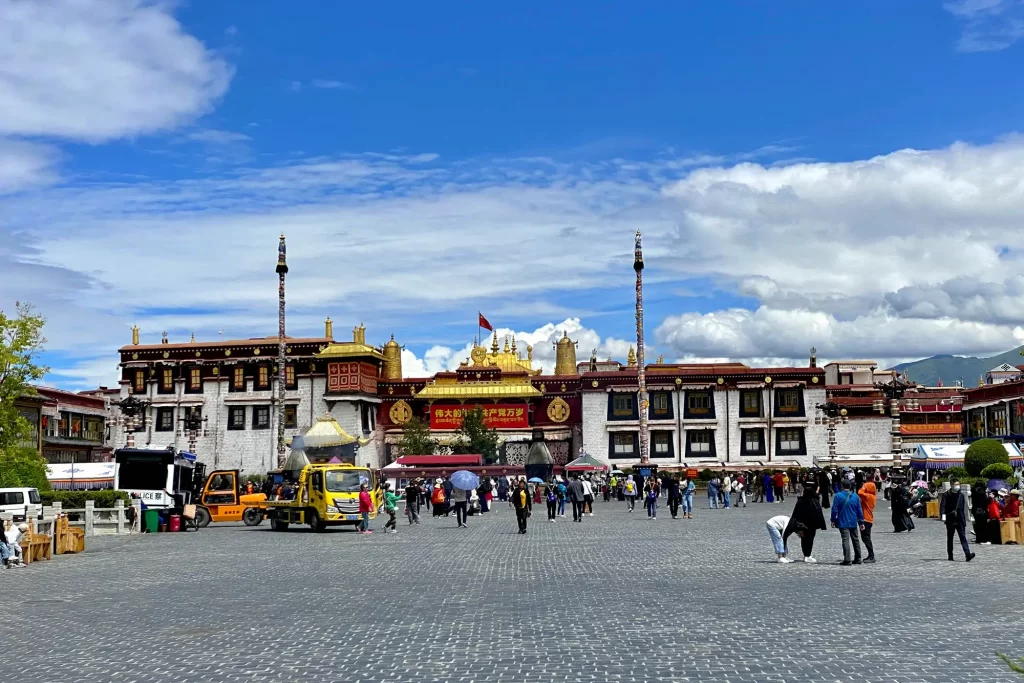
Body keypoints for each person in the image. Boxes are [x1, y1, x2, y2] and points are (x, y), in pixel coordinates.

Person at [785, 483, 827, 563]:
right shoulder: (814, 501)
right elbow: (819, 513)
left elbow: (795, 513)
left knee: (804, 540)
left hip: (802, 524)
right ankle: (808, 555)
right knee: (810, 539)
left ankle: (805, 555)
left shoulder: (800, 501)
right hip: (812, 524)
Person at [830, 481, 865, 566]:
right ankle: (858, 558)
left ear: (841, 486)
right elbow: (859, 510)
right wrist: (861, 522)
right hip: (853, 521)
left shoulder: (838, 496)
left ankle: (847, 559)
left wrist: (833, 520)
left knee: (845, 540)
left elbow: (834, 509)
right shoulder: (855, 496)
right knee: (855, 539)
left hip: (843, 521)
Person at [940, 479, 975, 562]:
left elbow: (962, 508)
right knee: (950, 538)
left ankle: (967, 554)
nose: (957, 486)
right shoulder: (946, 495)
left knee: (963, 537)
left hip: (960, 519)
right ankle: (950, 555)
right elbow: (942, 507)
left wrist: (964, 520)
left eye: (958, 484)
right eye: (956, 484)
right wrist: (944, 517)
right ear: (951, 485)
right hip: (950, 519)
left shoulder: (961, 495)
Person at [857, 481, 877, 563]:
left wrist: (864, 487)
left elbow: (859, 492)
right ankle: (870, 555)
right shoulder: (872, 496)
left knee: (866, 538)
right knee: (865, 538)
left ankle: (871, 556)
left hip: (866, 519)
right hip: (867, 519)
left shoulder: (868, 496)